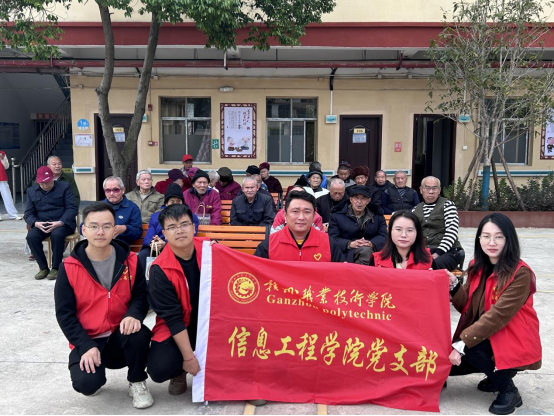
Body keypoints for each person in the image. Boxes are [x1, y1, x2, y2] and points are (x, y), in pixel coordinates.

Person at [54, 202, 153, 409]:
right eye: (94, 226)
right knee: (86, 385)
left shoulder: (131, 260)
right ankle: (96, 375)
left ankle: (136, 380)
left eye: (107, 226)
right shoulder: (69, 267)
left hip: (121, 335)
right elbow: (65, 314)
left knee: (139, 333)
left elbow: (140, 295)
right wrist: (85, 345)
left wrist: (134, 314)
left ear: (114, 229)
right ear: (84, 230)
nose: (100, 232)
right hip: (90, 339)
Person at [448, 213, 541, 416]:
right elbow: (467, 308)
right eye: (486, 236)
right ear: (479, 238)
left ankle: (508, 390)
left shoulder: (520, 273)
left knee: (470, 348)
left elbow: (498, 315)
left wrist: (463, 343)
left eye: (499, 237)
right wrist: (454, 286)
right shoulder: (476, 265)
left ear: (509, 240)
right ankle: (495, 374)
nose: (491, 242)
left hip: (512, 337)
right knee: (448, 366)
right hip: (488, 335)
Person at [147, 204, 208, 396]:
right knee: (159, 368)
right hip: (181, 324)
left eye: (184, 224)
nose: (179, 230)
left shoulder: (211, 250)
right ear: (164, 233)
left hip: (212, 322)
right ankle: (180, 370)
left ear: (194, 227)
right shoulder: (160, 269)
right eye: (172, 227)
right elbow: (172, 318)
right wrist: (188, 358)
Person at [255, 191, 344, 262]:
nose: (301, 217)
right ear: (285, 215)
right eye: (295, 211)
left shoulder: (329, 243)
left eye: (307, 212)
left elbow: (341, 272)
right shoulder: (269, 244)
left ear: (314, 215)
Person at [25, 166, 78, 280]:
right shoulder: (31, 191)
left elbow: (72, 208)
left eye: (48, 182)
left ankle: (56, 268)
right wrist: (35, 223)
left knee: (57, 235)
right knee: (31, 237)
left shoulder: (65, 187)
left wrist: (60, 222)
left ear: (53, 178)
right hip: (42, 224)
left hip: (62, 223)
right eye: (42, 183)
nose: (46, 186)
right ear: (38, 181)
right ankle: (43, 268)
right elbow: (28, 214)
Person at [137, 184, 199, 272]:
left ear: (182, 203)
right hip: (157, 246)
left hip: (180, 244)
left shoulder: (190, 216)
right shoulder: (156, 217)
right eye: (172, 202)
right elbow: (148, 237)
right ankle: (144, 279)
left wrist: (165, 243)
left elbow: (191, 236)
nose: (175, 204)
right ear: (166, 203)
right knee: (144, 253)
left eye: (178, 201)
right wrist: (154, 242)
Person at [413, 176, 465, 271]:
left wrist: (438, 253)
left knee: (432, 267)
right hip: (425, 252)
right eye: (427, 188)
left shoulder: (448, 205)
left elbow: (452, 231)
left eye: (434, 188)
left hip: (448, 251)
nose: (431, 191)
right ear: (421, 190)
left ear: (439, 190)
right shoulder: (415, 210)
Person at [329, 185, 387, 265]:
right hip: (345, 253)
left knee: (366, 250)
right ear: (351, 199)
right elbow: (332, 239)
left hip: (371, 251)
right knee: (365, 252)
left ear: (368, 200)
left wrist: (371, 243)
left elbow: (383, 235)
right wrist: (349, 244)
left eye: (363, 198)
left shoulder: (377, 215)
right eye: (356, 198)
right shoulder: (337, 215)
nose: (359, 202)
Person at [370, 210, 434, 269]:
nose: (403, 235)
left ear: (417, 232)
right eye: (398, 229)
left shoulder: (428, 259)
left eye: (409, 230)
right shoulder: (377, 260)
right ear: (390, 231)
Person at [101, 177, 143, 246]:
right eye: (108, 190)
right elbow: (83, 227)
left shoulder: (132, 208)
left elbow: (138, 233)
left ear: (123, 190)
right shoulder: (98, 207)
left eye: (115, 190)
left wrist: (125, 229)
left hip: (120, 246)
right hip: (99, 245)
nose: (111, 193)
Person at [0, 150, 22, 221]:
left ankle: (13, 214)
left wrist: (2, 159)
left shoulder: (2, 153)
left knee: (7, 196)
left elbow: (6, 166)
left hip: (2, 177)